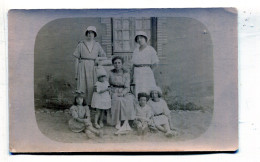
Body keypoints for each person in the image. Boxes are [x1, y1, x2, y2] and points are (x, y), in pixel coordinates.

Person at [73, 26, 106, 105]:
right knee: (82, 85)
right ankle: (83, 104)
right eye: (88, 33)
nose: (90, 34)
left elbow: (104, 56)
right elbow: (76, 59)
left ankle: (93, 104)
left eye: (92, 33)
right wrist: (76, 73)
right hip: (82, 66)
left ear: (94, 34)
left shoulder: (97, 44)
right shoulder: (81, 44)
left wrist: (98, 59)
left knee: (92, 85)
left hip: (93, 67)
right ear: (86, 34)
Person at [107, 56, 135, 135]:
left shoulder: (126, 73)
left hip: (124, 91)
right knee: (118, 100)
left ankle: (126, 121)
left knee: (129, 99)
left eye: (119, 63)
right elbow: (107, 84)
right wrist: (111, 91)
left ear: (122, 64)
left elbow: (127, 87)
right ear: (113, 64)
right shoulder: (110, 73)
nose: (117, 65)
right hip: (113, 91)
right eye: (115, 63)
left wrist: (122, 93)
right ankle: (117, 121)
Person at [131, 31, 159, 97]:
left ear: (145, 39)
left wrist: (149, 71)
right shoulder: (135, 50)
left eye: (141, 38)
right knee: (138, 89)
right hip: (137, 72)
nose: (139, 40)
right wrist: (132, 74)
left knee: (147, 89)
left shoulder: (150, 49)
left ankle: (148, 106)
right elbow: (133, 64)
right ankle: (139, 105)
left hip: (146, 72)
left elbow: (155, 63)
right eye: (137, 38)